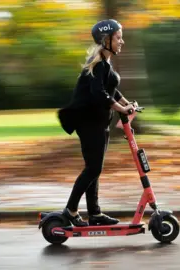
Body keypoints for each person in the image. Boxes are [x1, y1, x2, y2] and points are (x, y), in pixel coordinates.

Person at [57, 19, 136, 227]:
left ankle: (95, 213)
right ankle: (71, 210)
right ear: (106, 39)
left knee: (94, 168)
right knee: (93, 169)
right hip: (89, 123)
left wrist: (128, 104)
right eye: (118, 37)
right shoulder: (99, 63)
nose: (122, 41)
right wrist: (121, 109)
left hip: (99, 123)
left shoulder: (104, 62)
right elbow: (98, 94)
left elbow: (110, 89)